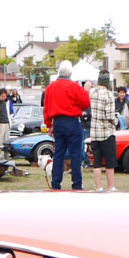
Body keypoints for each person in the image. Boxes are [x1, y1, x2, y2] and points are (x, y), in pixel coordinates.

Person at [42, 61, 91, 191]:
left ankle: (56, 184)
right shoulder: (74, 86)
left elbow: (46, 108)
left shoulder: (51, 87)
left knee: (59, 154)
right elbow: (85, 104)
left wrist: (49, 124)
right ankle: (77, 184)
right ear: (70, 72)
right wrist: (86, 90)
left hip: (58, 122)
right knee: (76, 154)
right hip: (72, 121)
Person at [87, 69, 119, 192]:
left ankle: (98, 187)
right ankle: (111, 186)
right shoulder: (109, 94)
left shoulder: (92, 92)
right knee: (110, 162)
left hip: (94, 132)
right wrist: (116, 122)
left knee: (97, 161)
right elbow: (110, 115)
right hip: (107, 132)